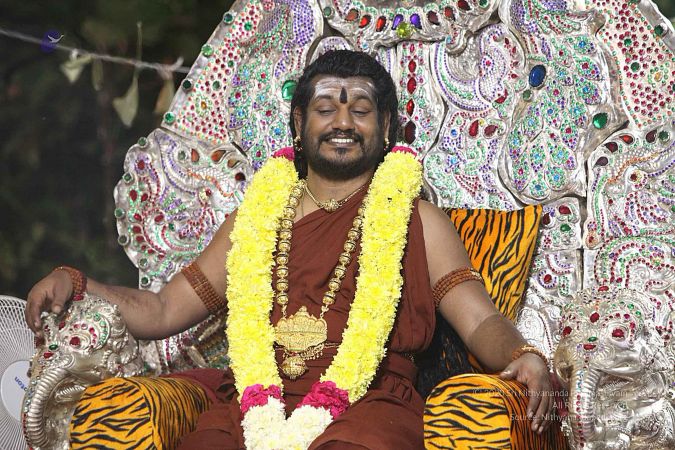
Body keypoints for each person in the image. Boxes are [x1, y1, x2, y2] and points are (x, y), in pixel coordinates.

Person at [25, 50, 553, 449]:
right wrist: (77, 283)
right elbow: (162, 309)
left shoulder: (419, 220)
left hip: (369, 405)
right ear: (299, 124)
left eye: (361, 110)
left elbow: (480, 321)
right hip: (255, 404)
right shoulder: (253, 222)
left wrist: (521, 354)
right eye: (325, 109)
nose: (342, 123)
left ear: (386, 127)